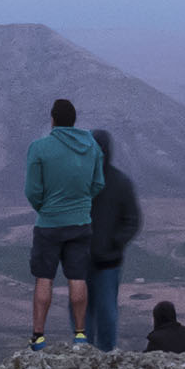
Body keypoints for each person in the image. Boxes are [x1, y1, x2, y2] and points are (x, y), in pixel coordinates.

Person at [24, 98, 105, 350]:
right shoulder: (91, 146)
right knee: (77, 277)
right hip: (80, 222)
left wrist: (46, 209)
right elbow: (98, 183)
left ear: (53, 120)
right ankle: (80, 334)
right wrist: (81, 203)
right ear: (74, 120)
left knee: (44, 278)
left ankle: (38, 336)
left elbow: (32, 190)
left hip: (48, 223)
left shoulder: (39, 148)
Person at [71, 128, 140, 352]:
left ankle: (107, 355)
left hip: (107, 263)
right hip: (81, 261)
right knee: (80, 311)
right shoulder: (78, 181)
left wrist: (114, 243)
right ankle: (84, 353)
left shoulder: (120, 183)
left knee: (107, 312)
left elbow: (133, 219)